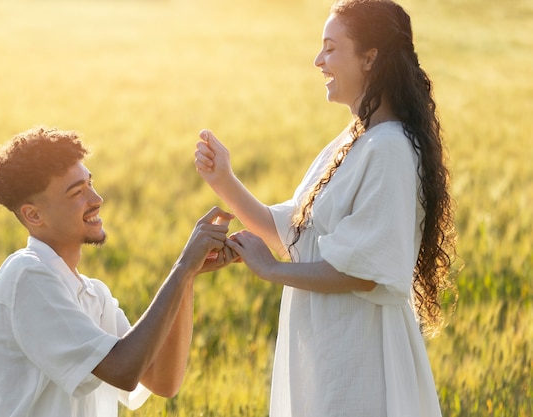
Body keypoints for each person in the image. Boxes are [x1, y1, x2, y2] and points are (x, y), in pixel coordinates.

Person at [194, 0, 457, 416]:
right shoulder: (354, 141)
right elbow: (292, 235)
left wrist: (272, 271)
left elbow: (364, 271)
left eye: (331, 48)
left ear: (369, 58)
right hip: (330, 350)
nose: (318, 60)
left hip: (360, 359)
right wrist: (224, 181)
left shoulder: (388, 148)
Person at [0, 127, 236, 417]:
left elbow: (163, 381)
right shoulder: (26, 275)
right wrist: (181, 267)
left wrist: (188, 277)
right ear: (33, 215)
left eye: (90, 183)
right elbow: (123, 370)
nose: (96, 198)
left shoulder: (94, 294)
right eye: (77, 192)